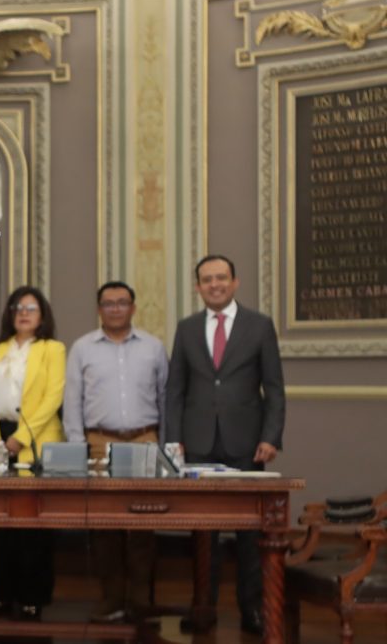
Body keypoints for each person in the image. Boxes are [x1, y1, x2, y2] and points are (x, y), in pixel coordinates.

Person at [165, 255, 285, 636]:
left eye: (221, 278)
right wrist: (172, 440)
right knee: (202, 534)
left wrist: (271, 436)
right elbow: (176, 390)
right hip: (197, 443)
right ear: (197, 287)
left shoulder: (260, 326)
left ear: (235, 282)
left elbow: (275, 389)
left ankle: (252, 610)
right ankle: (203, 608)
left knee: (251, 535)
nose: (214, 284)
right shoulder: (185, 329)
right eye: (206, 279)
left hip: (247, 444)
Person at [64, 281, 169, 623]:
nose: (115, 309)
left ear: (133, 308)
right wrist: (78, 446)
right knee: (104, 525)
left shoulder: (153, 347)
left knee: (143, 521)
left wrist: (166, 446)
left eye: (122, 303)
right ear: (99, 310)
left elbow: (165, 398)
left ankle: (140, 600)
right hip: (99, 442)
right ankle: (111, 599)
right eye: (108, 304)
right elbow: (73, 401)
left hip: (144, 440)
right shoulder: (82, 348)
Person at [0, 285, 65, 619]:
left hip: (36, 443)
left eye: (31, 308)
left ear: (42, 314)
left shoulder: (52, 349)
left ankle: (33, 597)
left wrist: (20, 439)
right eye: (18, 307)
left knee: (34, 527)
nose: (24, 313)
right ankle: (0, 595)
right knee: (0, 526)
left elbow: (52, 399)